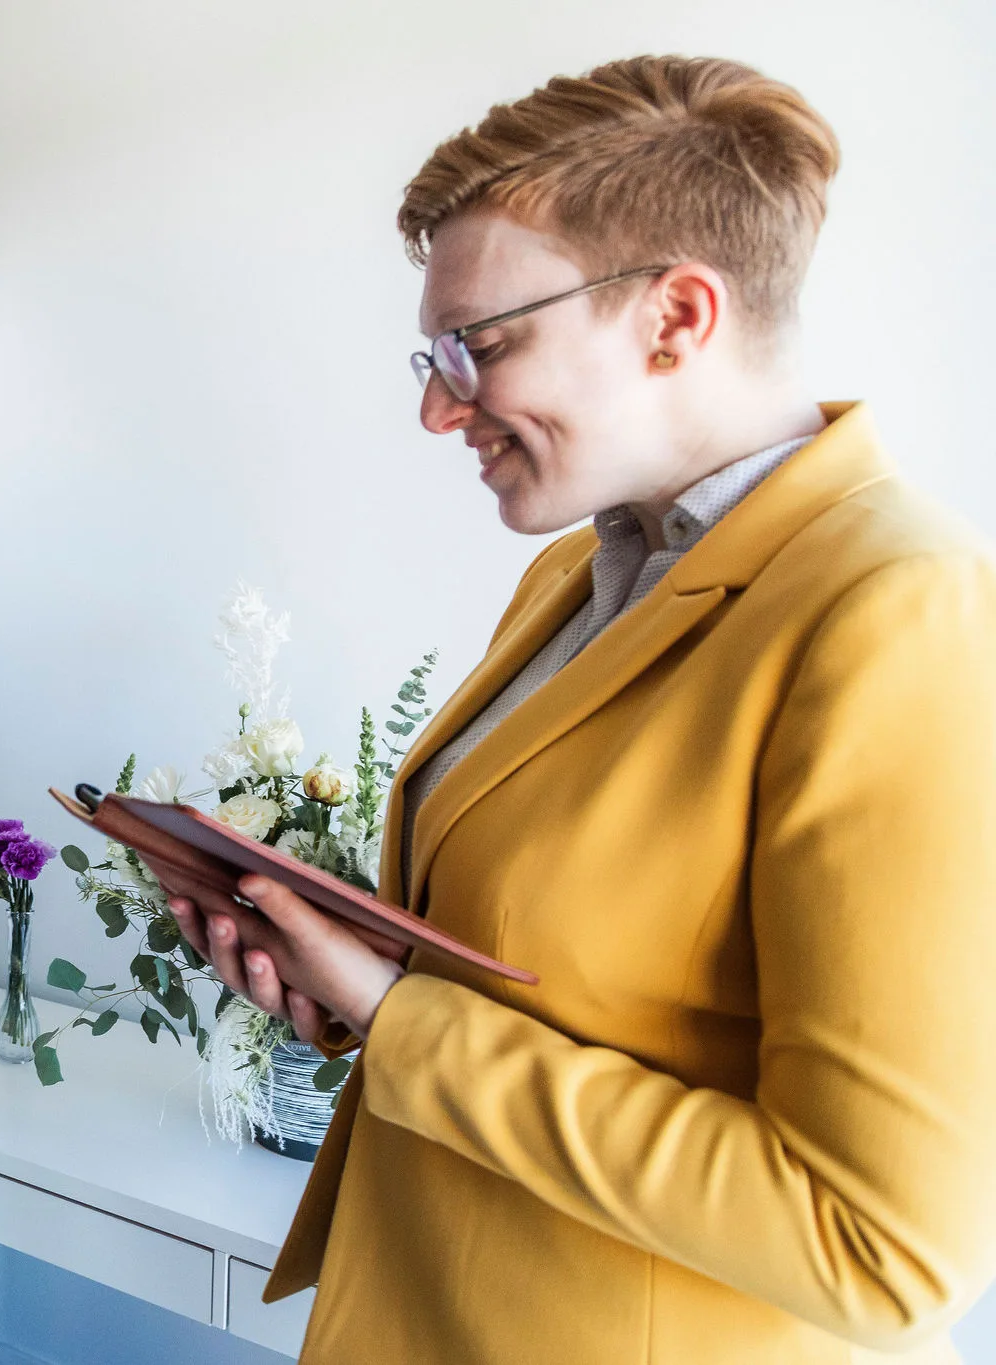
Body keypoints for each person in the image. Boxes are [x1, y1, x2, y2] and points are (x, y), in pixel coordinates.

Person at [158, 56, 996, 1363]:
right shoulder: (570, 572)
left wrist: (399, 1015)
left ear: (675, 316)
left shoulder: (899, 609)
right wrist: (342, 984)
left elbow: (876, 1247)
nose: (437, 407)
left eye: (478, 347)